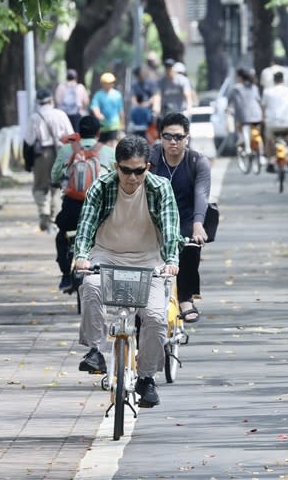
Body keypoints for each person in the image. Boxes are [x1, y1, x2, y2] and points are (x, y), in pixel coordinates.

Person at [73, 135, 182, 408]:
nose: (132, 177)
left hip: (149, 261)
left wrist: (171, 260)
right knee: (90, 288)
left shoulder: (160, 189)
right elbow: (86, 225)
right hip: (105, 256)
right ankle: (95, 350)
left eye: (139, 170)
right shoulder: (101, 187)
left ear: (148, 166)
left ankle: (146, 378)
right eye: (126, 170)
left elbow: (170, 229)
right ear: (116, 166)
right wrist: (81, 257)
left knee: (156, 318)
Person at [148, 112, 210, 323]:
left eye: (178, 137)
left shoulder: (197, 161)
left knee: (191, 248)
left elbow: (201, 194)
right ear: (160, 138)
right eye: (167, 136)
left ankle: (185, 298)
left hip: (186, 221)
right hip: (153, 221)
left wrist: (198, 225)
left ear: (187, 138)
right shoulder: (152, 158)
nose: (173, 142)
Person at [50, 115, 115, 291]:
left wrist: (59, 181)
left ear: (79, 132)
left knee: (62, 234)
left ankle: (65, 276)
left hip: (72, 206)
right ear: (98, 133)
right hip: (99, 208)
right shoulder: (108, 152)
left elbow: (54, 176)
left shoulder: (66, 150)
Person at [24, 89, 74, 232]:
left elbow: (28, 140)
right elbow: (71, 137)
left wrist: (27, 162)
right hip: (60, 154)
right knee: (57, 187)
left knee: (40, 186)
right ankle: (54, 219)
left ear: (38, 103)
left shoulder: (34, 117)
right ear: (51, 100)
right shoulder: (60, 115)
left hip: (42, 155)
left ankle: (43, 212)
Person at [261, 71, 288, 173]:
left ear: (274, 80)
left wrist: (263, 118)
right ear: (283, 80)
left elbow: (263, 108)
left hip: (272, 124)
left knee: (269, 141)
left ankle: (270, 162)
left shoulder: (267, 92)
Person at [227, 67, 263, 154]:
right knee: (257, 134)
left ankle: (243, 143)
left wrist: (228, 110)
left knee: (240, 127)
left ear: (239, 77)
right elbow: (259, 101)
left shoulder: (235, 88)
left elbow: (229, 102)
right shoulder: (254, 87)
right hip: (257, 115)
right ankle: (261, 155)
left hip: (243, 117)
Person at [90, 72, 125, 147]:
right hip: (103, 125)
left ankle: (112, 157)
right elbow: (94, 106)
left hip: (114, 124)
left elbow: (121, 110)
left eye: (111, 82)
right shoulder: (98, 95)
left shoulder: (117, 95)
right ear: (103, 83)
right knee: (101, 144)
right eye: (107, 83)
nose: (109, 84)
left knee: (113, 142)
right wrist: (98, 114)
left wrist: (122, 123)